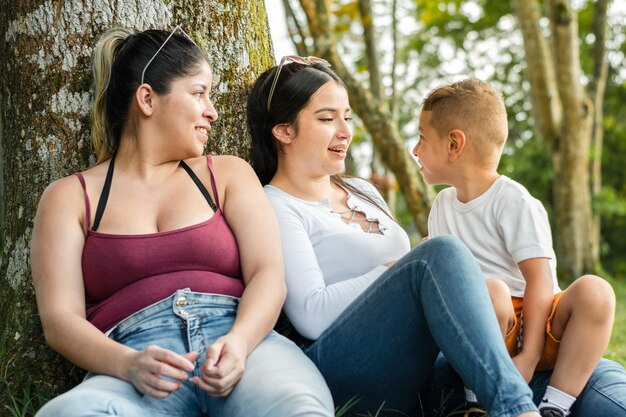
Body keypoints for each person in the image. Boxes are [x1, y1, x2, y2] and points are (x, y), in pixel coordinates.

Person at [30, 28, 334, 417]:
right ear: (147, 99)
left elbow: (268, 274)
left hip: (243, 347)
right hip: (132, 363)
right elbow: (60, 320)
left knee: (297, 409)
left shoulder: (225, 174)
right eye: (199, 93)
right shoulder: (71, 197)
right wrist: (127, 364)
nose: (213, 111)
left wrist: (239, 343)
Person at [246, 55, 542, 417]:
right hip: (345, 370)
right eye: (327, 119)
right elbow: (311, 316)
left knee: (597, 380)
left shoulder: (361, 190)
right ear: (284, 131)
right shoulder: (276, 204)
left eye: (347, 117)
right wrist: (397, 269)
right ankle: (518, 410)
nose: (345, 131)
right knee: (440, 252)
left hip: (420, 367)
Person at [413, 79, 618, 417]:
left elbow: (539, 280)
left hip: (543, 324)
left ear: (454, 144)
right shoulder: (442, 205)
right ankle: (478, 401)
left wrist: (530, 356)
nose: (416, 150)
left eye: (422, 137)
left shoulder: (512, 200)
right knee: (489, 291)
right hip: (490, 327)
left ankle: (556, 404)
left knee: (596, 291)